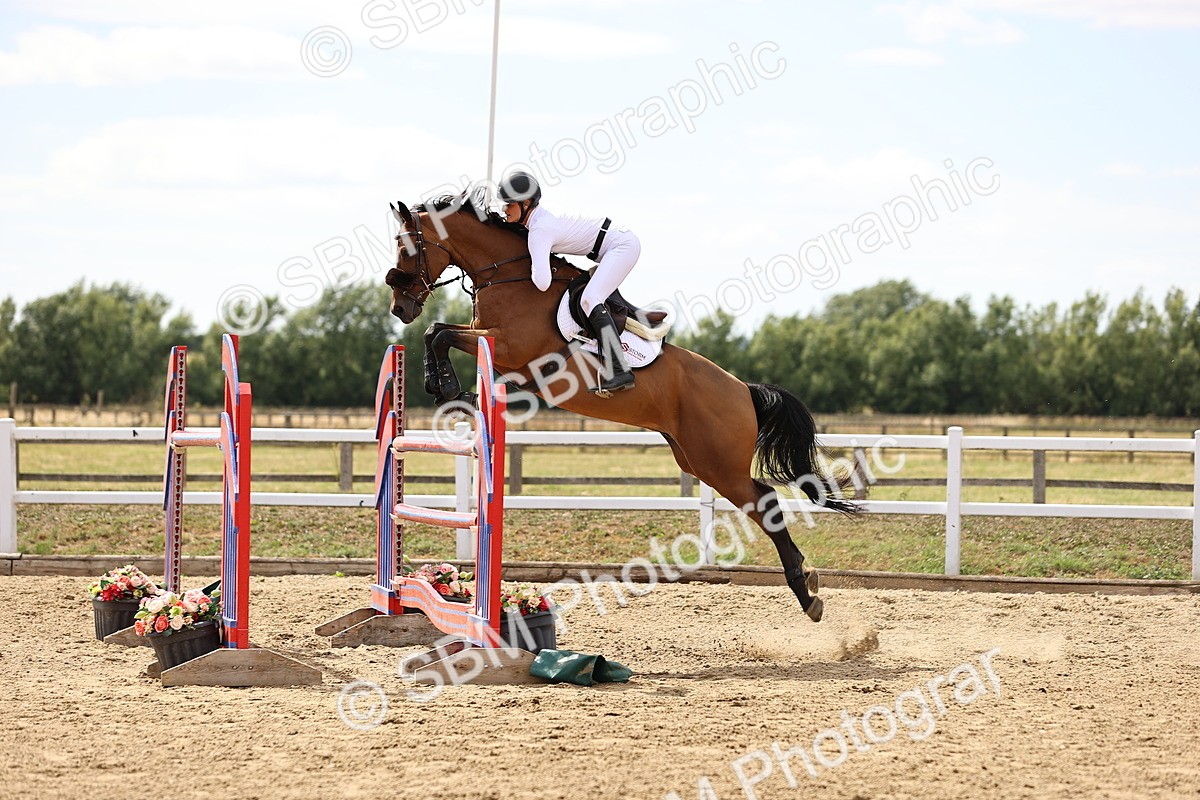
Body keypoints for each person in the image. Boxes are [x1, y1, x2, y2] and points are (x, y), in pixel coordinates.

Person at [498, 170, 638, 396]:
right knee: (590, 296)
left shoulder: (539, 230)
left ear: (525, 203)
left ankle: (620, 369)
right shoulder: (538, 221)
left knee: (590, 299)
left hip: (621, 246)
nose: (504, 209)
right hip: (613, 244)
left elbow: (542, 283)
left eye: (508, 204)